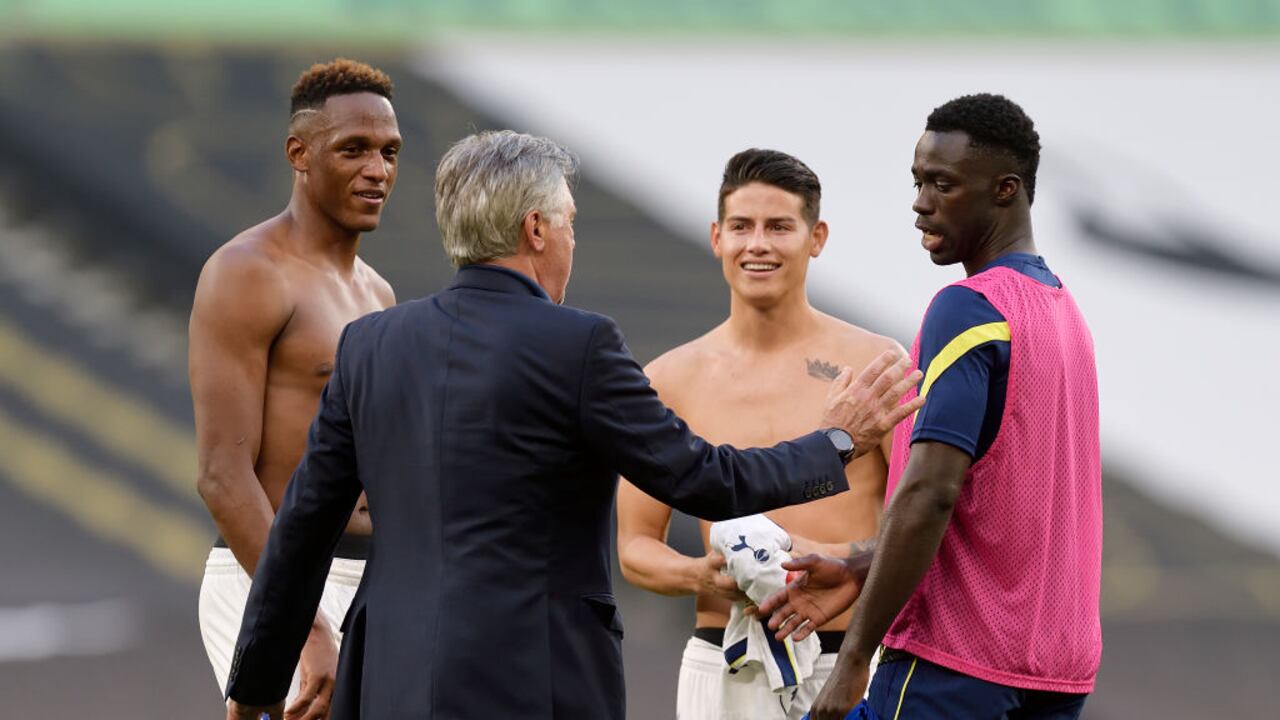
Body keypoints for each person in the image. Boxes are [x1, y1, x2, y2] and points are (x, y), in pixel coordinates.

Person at [222, 130, 925, 720]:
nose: (570, 241)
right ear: (536, 230)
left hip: (388, 678)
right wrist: (837, 440)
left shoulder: (370, 344)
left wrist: (252, 683)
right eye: (569, 224)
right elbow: (704, 480)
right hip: (536, 676)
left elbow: (303, 527)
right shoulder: (577, 345)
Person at [761, 93, 1101, 720]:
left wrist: (856, 658)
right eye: (918, 182)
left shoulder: (969, 308)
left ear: (1006, 190)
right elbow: (1000, 500)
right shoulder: (1064, 314)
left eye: (942, 184)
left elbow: (930, 494)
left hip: (953, 664)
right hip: (1057, 671)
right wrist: (865, 563)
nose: (920, 203)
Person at [616, 148, 900, 719]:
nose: (758, 245)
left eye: (779, 227)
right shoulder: (669, 378)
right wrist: (701, 575)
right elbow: (635, 547)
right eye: (742, 227)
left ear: (816, 237)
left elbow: (924, 518)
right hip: (723, 656)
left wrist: (841, 559)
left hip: (849, 658)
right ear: (717, 237)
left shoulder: (876, 364)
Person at [188, 58, 400, 720]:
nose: (378, 170)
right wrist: (304, 629)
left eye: (390, 152)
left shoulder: (379, 293)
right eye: (355, 150)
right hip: (275, 580)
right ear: (299, 154)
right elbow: (222, 476)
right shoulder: (246, 273)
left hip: (373, 581)